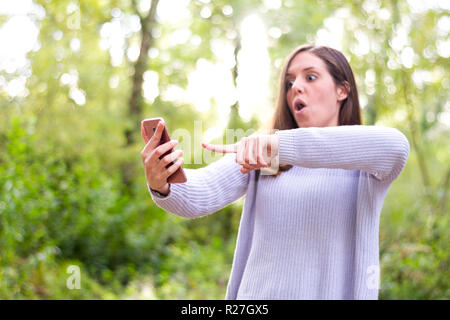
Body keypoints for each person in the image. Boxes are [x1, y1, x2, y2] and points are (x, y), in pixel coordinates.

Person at [140, 44, 410, 300]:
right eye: (290, 82)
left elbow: (396, 146)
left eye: (311, 77)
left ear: (342, 90)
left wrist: (278, 144)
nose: (296, 88)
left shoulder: (363, 166)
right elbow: (197, 195)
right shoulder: (264, 156)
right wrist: (162, 181)